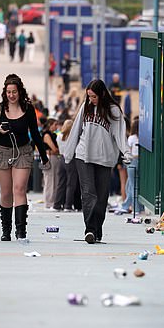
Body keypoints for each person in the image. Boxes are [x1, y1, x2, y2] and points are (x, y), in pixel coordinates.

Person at [63, 79, 131, 244]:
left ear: (101, 94)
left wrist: (126, 152)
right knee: (89, 193)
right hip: (84, 155)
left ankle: (96, 228)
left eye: (93, 96)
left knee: (101, 197)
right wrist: (68, 153)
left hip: (105, 158)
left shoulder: (113, 111)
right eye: (89, 96)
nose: (91, 99)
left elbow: (120, 135)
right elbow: (76, 130)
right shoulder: (85, 108)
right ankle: (90, 229)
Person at [0, 74, 49, 241]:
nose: (11, 95)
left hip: (23, 152)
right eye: (8, 92)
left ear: (20, 92)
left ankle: (21, 231)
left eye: (14, 92)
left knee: (19, 189)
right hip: (2, 151)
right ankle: (6, 230)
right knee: (6, 192)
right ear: (5, 92)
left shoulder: (28, 109)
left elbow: (35, 133)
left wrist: (44, 156)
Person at [119, 118, 143, 214]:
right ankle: (129, 205)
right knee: (132, 185)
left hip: (132, 161)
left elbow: (127, 150)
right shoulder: (143, 138)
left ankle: (135, 208)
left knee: (132, 186)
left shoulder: (131, 138)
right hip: (141, 161)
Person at [41, 118, 61, 210]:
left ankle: (53, 200)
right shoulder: (47, 135)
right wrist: (58, 151)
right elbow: (54, 149)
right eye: (55, 124)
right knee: (49, 180)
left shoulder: (54, 134)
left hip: (54, 158)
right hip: (49, 158)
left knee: (55, 180)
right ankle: (48, 202)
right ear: (50, 125)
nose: (56, 126)